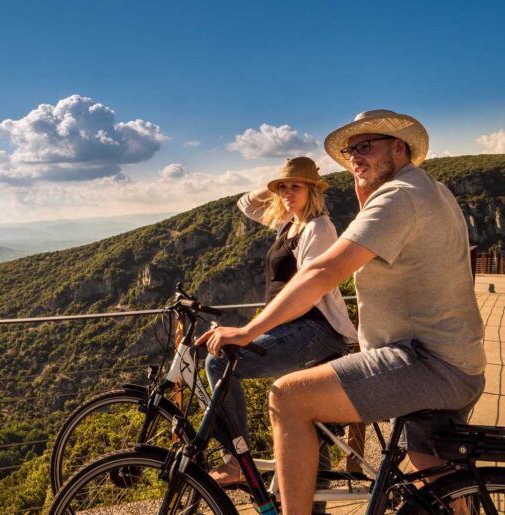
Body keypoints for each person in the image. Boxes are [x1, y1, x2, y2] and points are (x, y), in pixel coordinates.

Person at [196, 109, 486, 514]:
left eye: (366, 146)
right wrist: (360, 192)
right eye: (351, 150)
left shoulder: (399, 197)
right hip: (455, 359)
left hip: (425, 363)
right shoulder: (430, 189)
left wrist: (248, 331)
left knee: (289, 398)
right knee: (435, 483)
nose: (355, 157)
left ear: (399, 147)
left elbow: (322, 272)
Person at [204, 156, 357, 488]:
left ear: (313, 190)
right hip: (293, 328)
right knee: (311, 423)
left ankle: (235, 460)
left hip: (315, 330)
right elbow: (245, 204)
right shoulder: (290, 223)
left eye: (296, 186)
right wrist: (278, 184)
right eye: (283, 187)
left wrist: (249, 332)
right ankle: (315, 504)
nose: (287, 192)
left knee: (220, 362)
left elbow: (309, 289)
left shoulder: (318, 227)